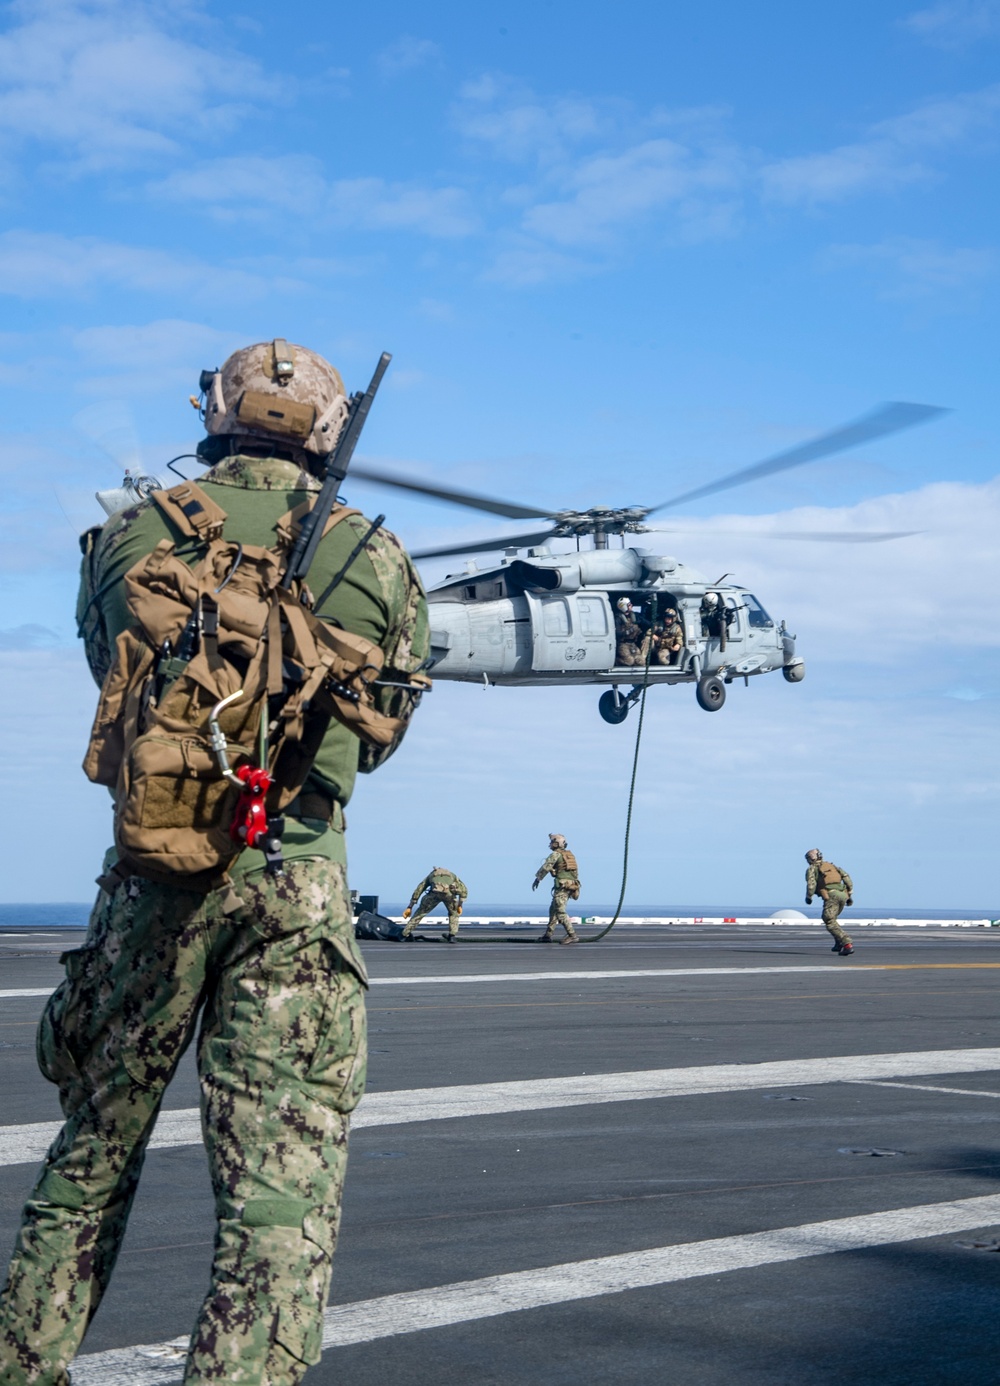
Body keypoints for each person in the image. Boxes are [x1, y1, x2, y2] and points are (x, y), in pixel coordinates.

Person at [0, 340, 429, 1386]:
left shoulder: (128, 534)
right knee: (278, 1193)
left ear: (218, 408)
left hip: (156, 867)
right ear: (325, 427)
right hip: (294, 881)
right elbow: (386, 727)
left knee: (91, 1157)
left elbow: (109, 664)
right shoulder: (376, 554)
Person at [805, 849, 855, 955]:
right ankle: (839, 943)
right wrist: (849, 895)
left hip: (831, 895)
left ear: (811, 858)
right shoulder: (833, 866)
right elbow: (847, 879)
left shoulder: (813, 868)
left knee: (829, 920)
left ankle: (847, 943)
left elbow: (811, 884)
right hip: (843, 894)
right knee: (833, 920)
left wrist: (809, 897)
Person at [532, 834, 580, 943]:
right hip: (571, 886)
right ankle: (548, 935)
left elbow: (546, 867)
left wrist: (538, 879)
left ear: (556, 843)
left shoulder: (556, 854)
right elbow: (573, 873)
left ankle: (572, 935)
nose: (550, 845)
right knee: (553, 910)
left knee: (560, 911)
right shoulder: (569, 855)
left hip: (562, 887)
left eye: (552, 842)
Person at [401, 867, 468, 942]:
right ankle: (452, 936)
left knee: (420, 913)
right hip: (449, 895)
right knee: (454, 914)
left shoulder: (431, 875)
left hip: (434, 895)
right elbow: (463, 889)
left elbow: (419, 889)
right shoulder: (452, 875)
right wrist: (460, 904)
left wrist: (410, 906)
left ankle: (405, 934)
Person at [614, 597, 643, 666]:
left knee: (641, 661)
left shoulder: (634, 616)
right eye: (629, 605)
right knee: (630, 661)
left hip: (633, 643)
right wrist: (628, 631)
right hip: (623, 644)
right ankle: (616, 661)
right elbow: (617, 633)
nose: (631, 606)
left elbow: (645, 622)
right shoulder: (618, 619)